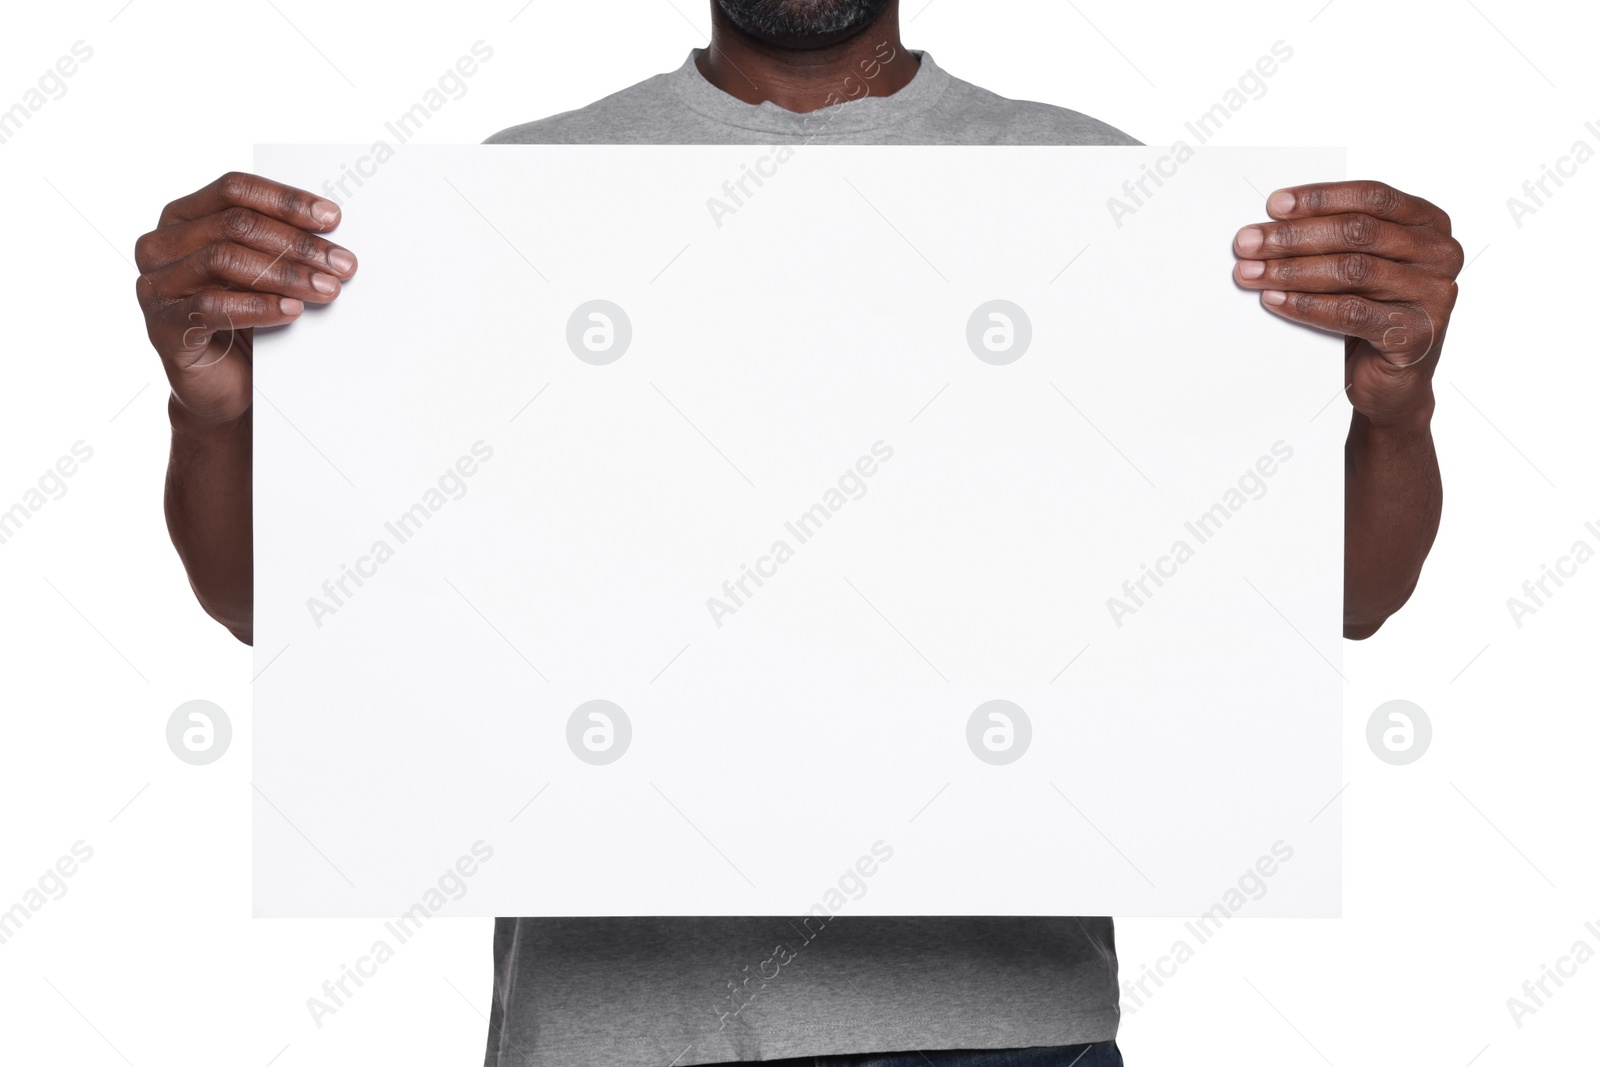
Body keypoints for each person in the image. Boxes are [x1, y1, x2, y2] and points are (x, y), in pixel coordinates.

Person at [133, 1, 1460, 1064]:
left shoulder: (1127, 204)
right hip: (607, 1035)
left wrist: (1393, 409)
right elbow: (290, 615)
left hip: (999, 1035)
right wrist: (211, 413)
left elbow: (1334, 605)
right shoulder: (503, 203)